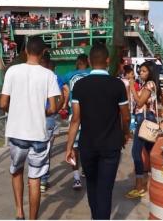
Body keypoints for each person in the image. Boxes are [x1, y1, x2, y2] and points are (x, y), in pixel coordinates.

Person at [65, 43, 130, 219]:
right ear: (107, 61)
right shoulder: (118, 85)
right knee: (106, 189)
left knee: (92, 187)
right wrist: (124, 134)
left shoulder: (79, 86)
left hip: (87, 145)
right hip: (111, 146)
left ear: (89, 61)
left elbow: (76, 119)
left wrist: (69, 146)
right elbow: (125, 117)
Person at [0, 36, 61, 220]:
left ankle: (19, 212)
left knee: (17, 171)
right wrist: (44, 113)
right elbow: (54, 107)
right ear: (43, 53)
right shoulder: (49, 75)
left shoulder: (12, 71)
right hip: (39, 135)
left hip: (17, 132)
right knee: (35, 179)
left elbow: (3, 103)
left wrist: (17, 110)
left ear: (25, 50)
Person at [127, 61, 163, 198]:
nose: (140, 73)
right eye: (140, 71)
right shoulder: (148, 84)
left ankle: (139, 185)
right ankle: (150, 182)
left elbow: (140, 102)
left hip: (144, 120)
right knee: (149, 151)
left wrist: (132, 87)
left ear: (150, 72)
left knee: (136, 152)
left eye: (144, 71)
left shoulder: (149, 84)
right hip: (148, 119)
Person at [62, 54, 91, 189]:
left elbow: (60, 84)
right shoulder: (92, 74)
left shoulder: (69, 75)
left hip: (75, 115)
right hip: (91, 117)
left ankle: (76, 179)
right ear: (88, 62)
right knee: (88, 146)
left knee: (74, 148)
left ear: (77, 63)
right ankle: (86, 169)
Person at [39, 54, 65, 193]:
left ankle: (34, 178)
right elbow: (61, 97)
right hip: (49, 116)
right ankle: (43, 181)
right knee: (46, 150)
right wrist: (54, 110)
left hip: (34, 117)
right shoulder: (55, 77)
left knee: (33, 149)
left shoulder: (32, 75)